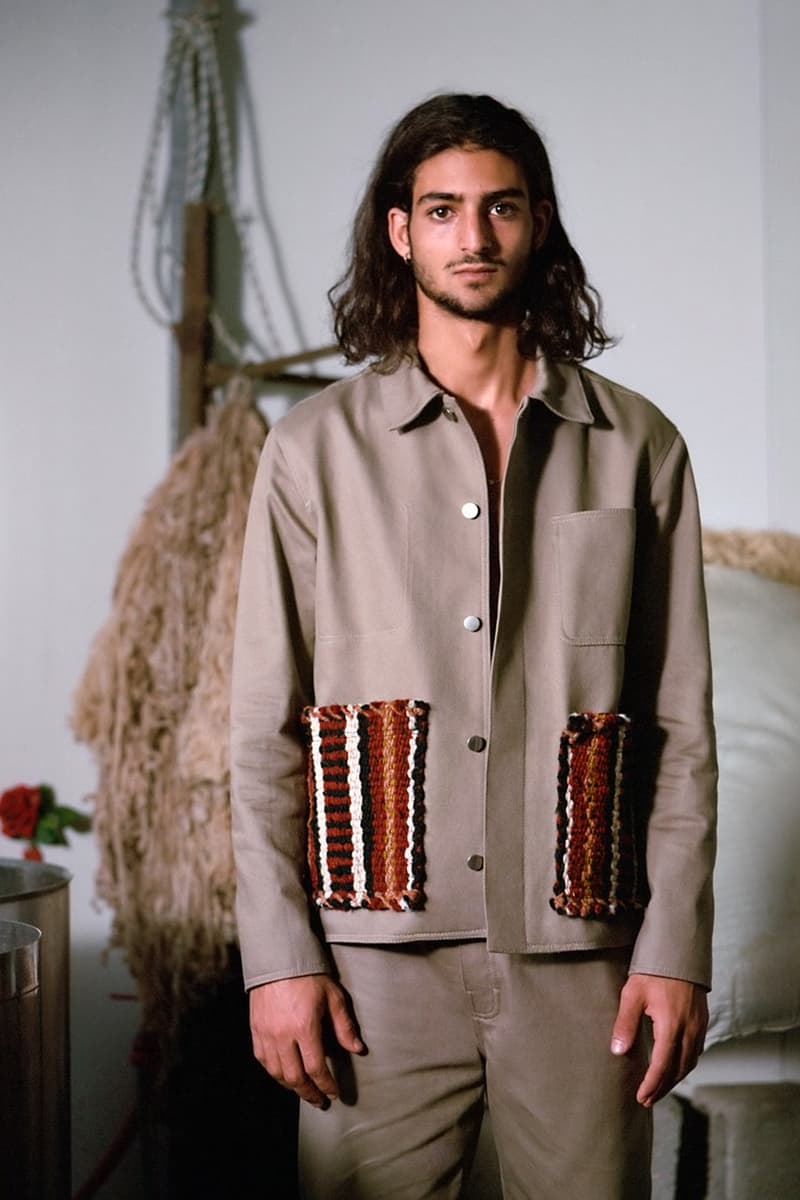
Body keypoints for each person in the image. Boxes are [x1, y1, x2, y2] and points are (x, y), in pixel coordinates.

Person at [230, 93, 717, 1199]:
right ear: (400, 231)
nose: (473, 236)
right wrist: (280, 959)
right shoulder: (311, 452)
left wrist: (674, 947)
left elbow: (680, 727)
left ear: (537, 223)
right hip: (373, 964)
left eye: (500, 207)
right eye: (442, 210)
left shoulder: (638, 447)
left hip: (584, 959)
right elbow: (263, 731)